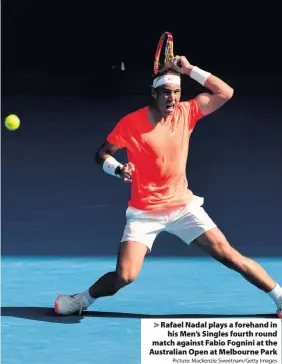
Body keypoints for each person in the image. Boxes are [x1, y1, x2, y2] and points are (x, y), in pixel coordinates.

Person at [54, 55, 282, 317]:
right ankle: (81, 300)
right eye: (165, 92)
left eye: (176, 92)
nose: (172, 98)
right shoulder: (131, 123)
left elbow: (225, 92)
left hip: (183, 207)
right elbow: (102, 154)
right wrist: (117, 168)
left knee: (229, 255)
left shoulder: (187, 112)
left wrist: (191, 69)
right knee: (125, 275)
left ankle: (279, 297)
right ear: (154, 93)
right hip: (144, 212)